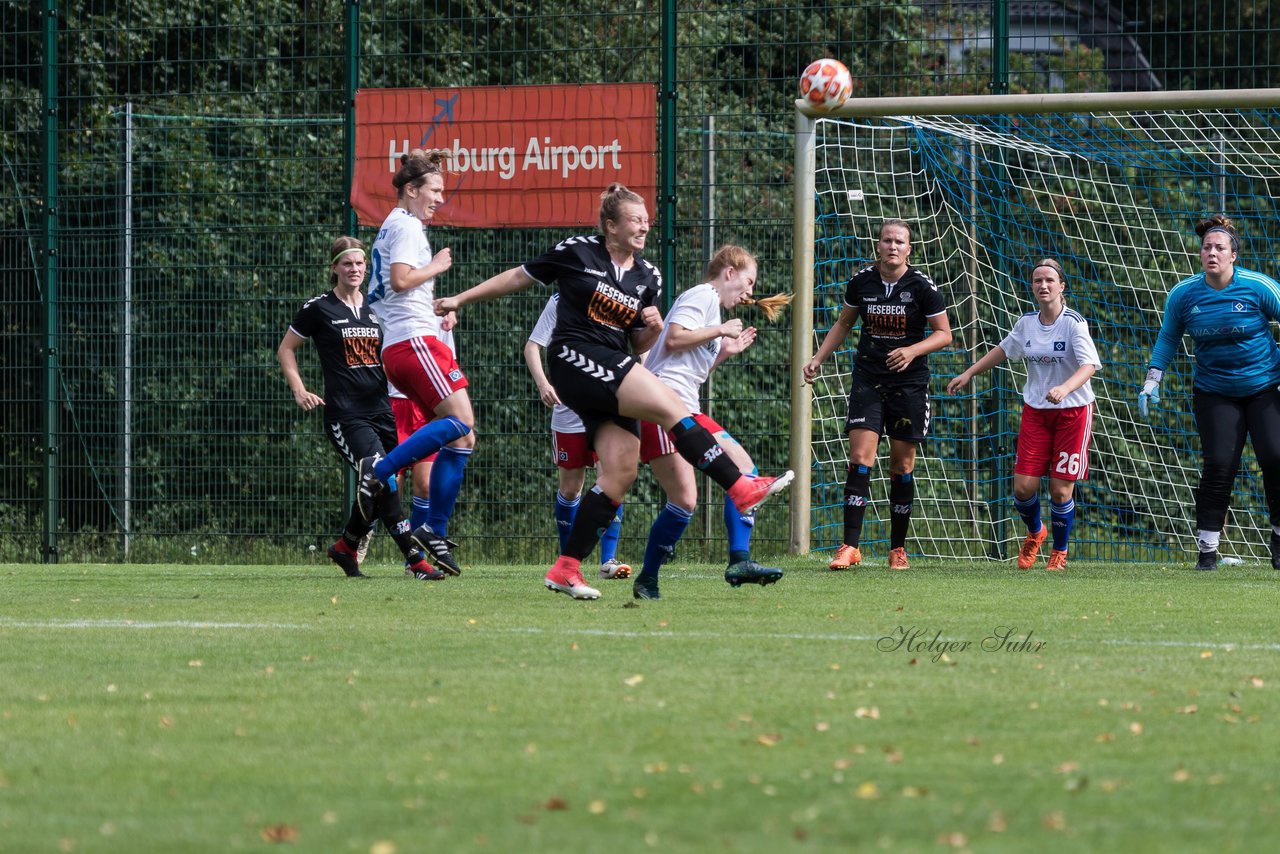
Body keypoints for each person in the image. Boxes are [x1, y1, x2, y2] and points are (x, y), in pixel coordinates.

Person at [434, 183, 794, 600]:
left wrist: (652, 328)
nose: (644, 227)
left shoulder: (648, 276)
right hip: (574, 358)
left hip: (611, 367)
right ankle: (739, 486)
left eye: (646, 220)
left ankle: (567, 568)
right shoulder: (578, 252)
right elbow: (519, 276)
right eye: (635, 220)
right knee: (670, 406)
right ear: (611, 225)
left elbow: (639, 343)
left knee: (619, 474)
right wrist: (460, 298)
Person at [276, 236, 444, 580]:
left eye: (360, 263)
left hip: (382, 411)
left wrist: (446, 316)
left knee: (380, 482)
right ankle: (416, 561)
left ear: (367, 268)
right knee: (382, 479)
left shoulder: (376, 308)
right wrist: (299, 389)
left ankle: (346, 545)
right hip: (346, 414)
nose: (354, 269)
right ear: (334, 268)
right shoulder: (319, 308)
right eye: (347, 263)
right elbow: (286, 349)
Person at [635, 245, 793, 599]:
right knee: (685, 500)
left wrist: (723, 352)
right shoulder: (703, 294)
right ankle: (647, 577)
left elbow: (690, 367)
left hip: (684, 403)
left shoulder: (711, 309)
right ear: (729, 272)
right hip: (661, 402)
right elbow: (673, 339)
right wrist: (721, 330)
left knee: (743, 466)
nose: (751, 292)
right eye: (749, 281)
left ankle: (739, 559)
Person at [802, 218, 953, 570]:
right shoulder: (861, 282)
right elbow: (844, 323)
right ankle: (849, 547)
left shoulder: (922, 287)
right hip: (868, 378)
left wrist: (913, 351)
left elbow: (944, 334)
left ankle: (897, 548)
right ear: (878, 245)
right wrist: (818, 358)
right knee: (859, 457)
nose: (893, 247)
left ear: (909, 249)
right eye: (887, 240)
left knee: (901, 464)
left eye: (900, 242)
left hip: (908, 384)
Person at [1139, 214, 1280, 571]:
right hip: (1214, 391)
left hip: (1266, 387)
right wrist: (1152, 380)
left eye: (1219, 247)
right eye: (1206, 247)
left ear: (1234, 255)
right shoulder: (1184, 295)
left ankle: (1278, 543)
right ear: (1200, 255)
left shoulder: (1259, 286)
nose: (1212, 252)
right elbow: (1168, 338)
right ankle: (1207, 553)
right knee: (1219, 464)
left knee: (1276, 460)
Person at [357, 149, 475, 576]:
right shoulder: (406, 226)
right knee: (462, 421)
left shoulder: (394, 225)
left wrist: (436, 306)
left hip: (408, 341)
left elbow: (398, 290)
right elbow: (401, 279)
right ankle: (383, 468)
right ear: (412, 190)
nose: (441, 198)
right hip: (413, 343)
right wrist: (437, 265)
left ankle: (430, 534)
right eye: (436, 190)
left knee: (461, 440)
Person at [946, 259, 1100, 571]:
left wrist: (1065, 388)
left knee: (1059, 489)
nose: (1043, 285)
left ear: (1061, 286)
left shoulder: (1074, 323)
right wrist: (969, 374)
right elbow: (1003, 350)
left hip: (1073, 413)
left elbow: (1089, 366)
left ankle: (1059, 553)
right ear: (1032, 287)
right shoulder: (1026, 323)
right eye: (1037, 281)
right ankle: (1035, 532)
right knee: (1023, 488)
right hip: (1036, 413)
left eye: (1049, 280)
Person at [525, 294, 631, 581]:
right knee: (571, 488)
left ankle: (608, 560)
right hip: (568, 410)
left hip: (605, 404)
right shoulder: (561, 300)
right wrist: (543, 383)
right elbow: (533, 346)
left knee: (613, 478)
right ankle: (567, 560)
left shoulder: (615, 295)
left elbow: (638, 344)